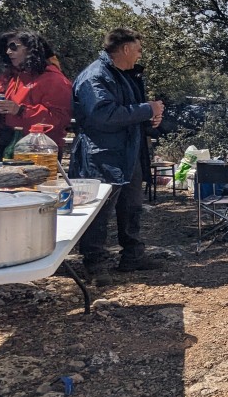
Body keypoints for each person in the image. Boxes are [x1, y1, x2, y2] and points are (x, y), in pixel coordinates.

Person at [70, 28, 165, 279]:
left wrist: (149, 119)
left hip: (128, 152)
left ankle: (132, 256)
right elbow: (103, 115)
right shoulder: (95, 76)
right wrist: (147, 109)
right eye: (138, 49)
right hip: (102, 155)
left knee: (132, 206)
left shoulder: (125, 75)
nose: (139, 54)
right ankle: (95, 264)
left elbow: (126, 113)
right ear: (125, 49)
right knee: (99, 210)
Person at [0, 31, 72, 163]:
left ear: (31, 49)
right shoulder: (7, 79)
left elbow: (59, 120)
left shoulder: (54, 80)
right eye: (6, 48)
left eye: (13, 46)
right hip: (3, 147)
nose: (8, 52)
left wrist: (21, 111)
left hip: (39, 152)